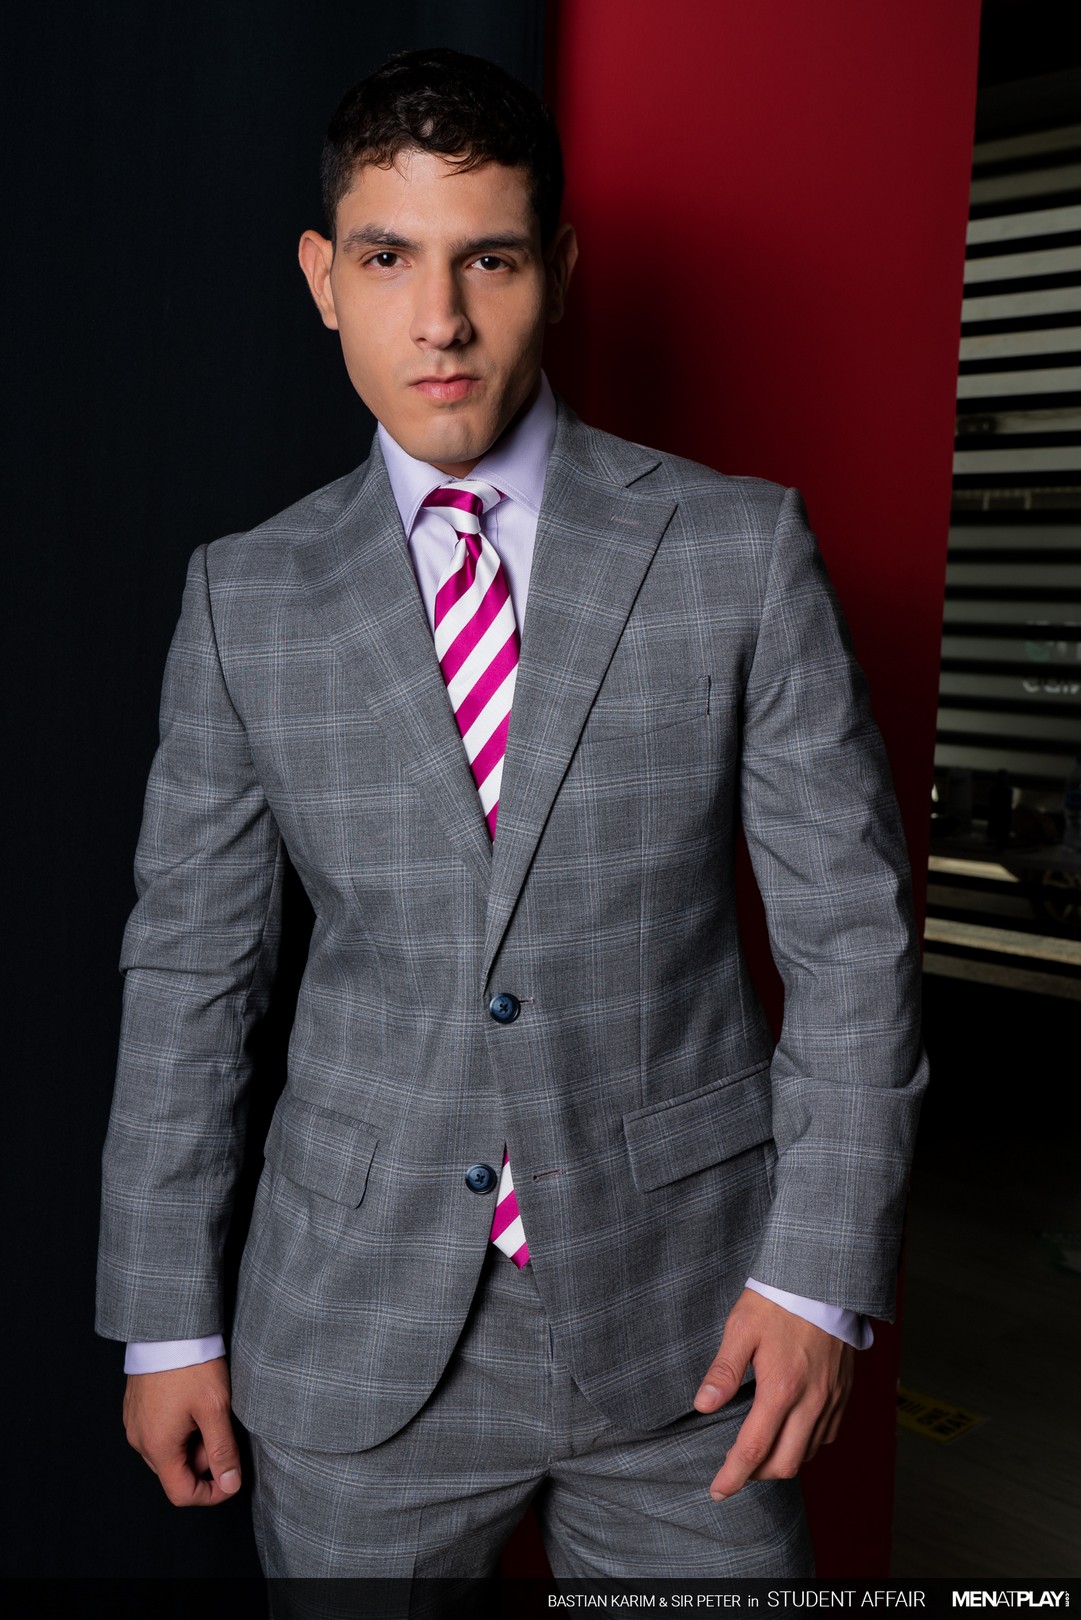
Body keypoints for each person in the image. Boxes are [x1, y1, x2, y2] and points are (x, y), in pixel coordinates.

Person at [97, 46, 927, 1585]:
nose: (440, 320)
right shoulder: (242, 597)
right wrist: (165, 1320)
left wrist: (816, 1279)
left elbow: (850, 940)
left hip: (695, 1329)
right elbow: (191, 974)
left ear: (557, 269)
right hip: (349, 1330)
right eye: (387, 259)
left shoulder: (737, 551)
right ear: (321, 278)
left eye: (487, 258)